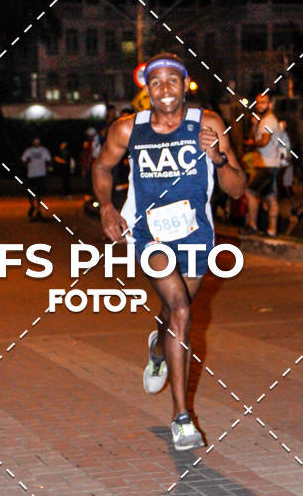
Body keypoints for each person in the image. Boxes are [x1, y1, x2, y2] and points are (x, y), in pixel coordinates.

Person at [93, 52, 245, 451]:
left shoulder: (207, 123)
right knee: (181, 309)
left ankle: (157, 348)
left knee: (173, 315)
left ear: (185, 84)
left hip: (196, 236)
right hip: (150, 236)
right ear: (146, 89)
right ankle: (182, 419)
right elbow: (102, 167)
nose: (164, 89)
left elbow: (236, 188)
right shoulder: (128, 130)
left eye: (171, 81)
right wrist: (107, 208)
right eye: (155, 82)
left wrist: (217, 157)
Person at [245, 93, 281, 237]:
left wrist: (253, 144)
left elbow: (264, 141)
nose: (260, 106)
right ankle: (271, 230)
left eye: (264, 102)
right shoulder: (264, 121)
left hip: (267, 164)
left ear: (270, 104)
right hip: (267, 163)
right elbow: (254, 137)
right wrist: (254, 125)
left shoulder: (268, 121)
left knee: (250, 192)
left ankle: (253, 225)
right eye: (258, 103)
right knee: (270, 197)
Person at [22, 136, 51, 220]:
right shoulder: (29, 151)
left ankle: (38, 210)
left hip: (41, 174)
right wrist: (27, 161)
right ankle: (32, 206)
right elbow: (23, 160)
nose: (36, 143)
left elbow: (48, 159)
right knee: (30, 193)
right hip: (31, 174)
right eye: (35, 142)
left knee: (39, 193)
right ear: (32, 142)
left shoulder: (44, 150)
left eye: (38, 141)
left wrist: (48, 167)